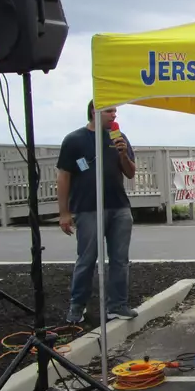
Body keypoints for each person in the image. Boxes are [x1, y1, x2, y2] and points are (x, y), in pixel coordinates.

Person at [56, 100, 138, 324]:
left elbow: (130, 173)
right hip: (88, 208)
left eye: (115, 111)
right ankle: (77, 305)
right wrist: (64, 212)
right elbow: (63, 177)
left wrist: (123, 154)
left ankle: (117, 305)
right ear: (95, 110)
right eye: (110, 110)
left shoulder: (118, 137)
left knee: (120, 259)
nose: (114, 115)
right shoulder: (74, 140)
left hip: (119, 206)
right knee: (87, 258)